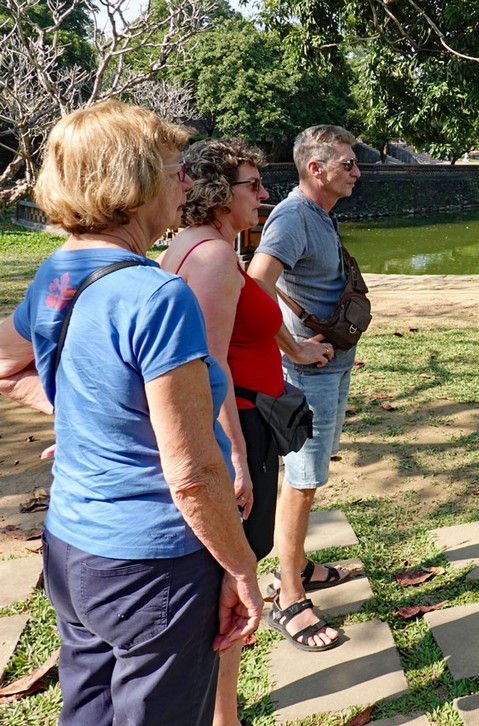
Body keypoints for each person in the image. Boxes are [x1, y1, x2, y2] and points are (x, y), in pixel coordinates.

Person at [0, 101, 262, 725]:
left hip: (72, 550)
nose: (187, 182)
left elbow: (7, 365)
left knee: (87, 710)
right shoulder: (157, 294)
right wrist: (242, 568)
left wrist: (88, 421)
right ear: (133, 180)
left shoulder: (59, 273)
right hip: (154, 564)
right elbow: (193, 472)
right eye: (176, 168)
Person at [157, 138, 320, 722]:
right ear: (220, 194)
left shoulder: (201, 247)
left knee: (230, 575)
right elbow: (211, 362)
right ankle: (223, 714)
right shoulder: (211, 258)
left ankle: (221, 706)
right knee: (233, 577)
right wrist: (234, 456)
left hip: (250, 420)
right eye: (253, 185)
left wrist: (294, 348)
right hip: (239, 427)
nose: (265, 195)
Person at [245, 125, 360, 651]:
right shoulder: (292, 216)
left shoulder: (319, 215)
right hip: (308, 373)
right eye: (347, 162)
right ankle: (289, 596)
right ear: (316, 168)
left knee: (311, 476)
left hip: (329, 369)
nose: (356, 171)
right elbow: (256, 287)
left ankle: (301, 565)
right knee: (303, 479)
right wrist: (294, 350)